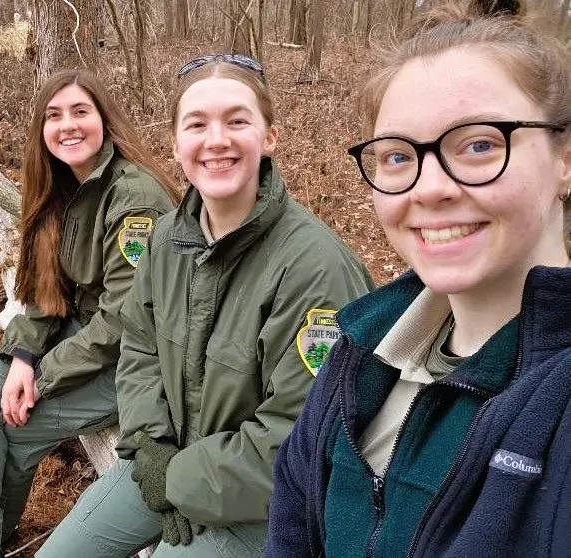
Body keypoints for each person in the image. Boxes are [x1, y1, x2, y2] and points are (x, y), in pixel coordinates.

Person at [36, 54, 374, 558]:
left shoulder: (316, 270)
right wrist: (150, 445)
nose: (216, 140)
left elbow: (299, 438)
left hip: (266, 504)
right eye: (197, 125)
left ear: (270, 137)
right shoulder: (166, 238)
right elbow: (140, 347)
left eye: (237, 121)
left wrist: (179, 479)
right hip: (167, 455)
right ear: (176, 145)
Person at [266, 1, 571, 557]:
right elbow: (293, 510)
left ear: (564, 159)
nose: (428, 188)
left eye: (480, 144)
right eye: (397, 156)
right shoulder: (366, 343)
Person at [0, 69, 180, 558]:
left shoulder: (133, 198)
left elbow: (125, 321)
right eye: (54, 115)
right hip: (86, 336)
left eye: (81, 111)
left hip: (139, 362)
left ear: (104, 119)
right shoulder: (64, 184)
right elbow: (47, 288)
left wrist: (43, 375)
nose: (68, 125)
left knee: (12, 425)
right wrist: (22, 356)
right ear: (42, 128)